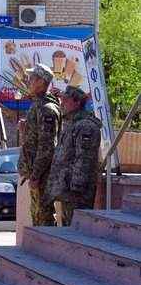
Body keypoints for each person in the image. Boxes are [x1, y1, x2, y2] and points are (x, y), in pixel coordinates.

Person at [46, 86, 102, 226]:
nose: (62, 103)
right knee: (68, 229)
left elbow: (84, 160)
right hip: (67, 190)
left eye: (66, 100)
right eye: (61, 100)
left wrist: (75, 188)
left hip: (77, 193)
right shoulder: (72, 124)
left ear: (77, 103)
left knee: (76, 229)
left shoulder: (85, 126)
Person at [17, 64, 61, 226]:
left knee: (44, 218)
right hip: (37, 174)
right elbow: (33, 142)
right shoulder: (37, 105)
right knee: (37, 216)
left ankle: (48, 250)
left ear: (42, 82)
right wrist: (24, 130)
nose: (28, 81)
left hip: (43, 175)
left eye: (32, 78)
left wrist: (36, 175)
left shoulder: (47, 109)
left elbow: (47, 147)